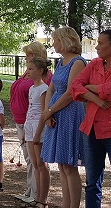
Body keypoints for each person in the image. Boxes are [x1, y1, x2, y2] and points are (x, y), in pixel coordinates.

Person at [71, 29, 111, 208]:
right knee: (92, 182)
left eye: (100, 43)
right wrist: (96, 99)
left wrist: (90, 87)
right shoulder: (94, 64)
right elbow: (75, 86)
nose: (97, 46)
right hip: (91, 129)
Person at [39, 27, 86, 208]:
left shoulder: (78, 62)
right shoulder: (61, 62)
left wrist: (49, 111)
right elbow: (51, 88)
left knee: (69, 165)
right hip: (55, 110)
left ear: (66, 40)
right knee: (61, 164)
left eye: (56, 40)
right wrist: (47, 112)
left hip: (70, 112)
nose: (53, 43)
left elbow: (70, 93)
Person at [12, 41, 53, 204]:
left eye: (29, 55)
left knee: (37, 161)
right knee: (30, 160)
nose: (26, 59)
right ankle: (31, 190)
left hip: (35, 124)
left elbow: (44, 106)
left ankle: (38, 195)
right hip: (25, 121)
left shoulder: (44, 80)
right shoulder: (29, 75)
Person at [23, 57, 51, 208]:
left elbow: (43, 112)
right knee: (35, 164)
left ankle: (43, 199)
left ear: (40, 71)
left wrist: (38, 133)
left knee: (41, 164)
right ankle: (37, 197)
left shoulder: (43, 89)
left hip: (38, 127)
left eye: (31, 68)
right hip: (29, 125)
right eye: (28, 68)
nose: (28, 71)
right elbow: (31, 109)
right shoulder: (31, 88)